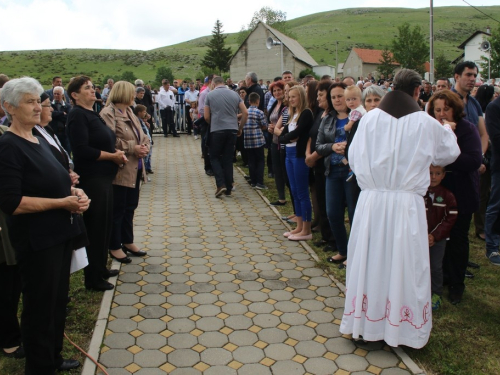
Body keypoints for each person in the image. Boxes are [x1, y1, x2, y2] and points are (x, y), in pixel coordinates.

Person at [340, 69, 460, 348]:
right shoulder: (427, 124)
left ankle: (366, 328)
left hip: (372, 203)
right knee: (404, 265)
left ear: (393, 87)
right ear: (417, 92)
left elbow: (354, 159)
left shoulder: (369, 120)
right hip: (406, 205)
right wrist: (445, 129)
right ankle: (400, 333)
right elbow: (448, 154)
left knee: (371, 262)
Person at [0, 77, 90, 374]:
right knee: (40, 306)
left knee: (57, 301)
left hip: (62, 233)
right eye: (30, 101)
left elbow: (62, 180)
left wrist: (75, 193)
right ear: (8, 107)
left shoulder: (39, 139)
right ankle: (39, 367)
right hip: (38, 241)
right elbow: (13, 202)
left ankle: (52, 357)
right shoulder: (8, 147)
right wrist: (61, 203)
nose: (38, 107)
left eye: (39, 100)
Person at [67, 75, 126, 291]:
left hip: (104, 177)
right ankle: (92, 278)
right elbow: (82, 151)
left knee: (105, 224)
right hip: (93, 178)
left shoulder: (92, 113)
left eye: (93, 87)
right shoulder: (77, 115)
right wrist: (111, 156)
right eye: (87, 88)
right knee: (96, 227)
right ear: (74, 95)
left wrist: (115, 152)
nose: (93, 90)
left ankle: (100, 268)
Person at [427, 89, 482, 303]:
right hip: (435, 194)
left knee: (457, 239)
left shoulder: (467, 130)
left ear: (455, 109)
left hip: (461, 193)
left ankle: (457, 284)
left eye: (446, 109)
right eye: (437, 110)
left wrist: (445, 158)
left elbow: (474, 160)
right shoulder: (431, 130)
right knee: (439, 238)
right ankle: (442, 279)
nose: (442, 114)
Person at [100, 81, 150, 262]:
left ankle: (127, 240)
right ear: (122, 94)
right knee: (118, 209)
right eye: (131, 93)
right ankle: (114, 245)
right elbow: (110, 141)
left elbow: (142, 134)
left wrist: (144, 146)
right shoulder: (108, 113)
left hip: (135, 167)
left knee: (130, 207)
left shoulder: (129, 111)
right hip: (121, 169)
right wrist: (133, 148)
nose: (135, 96)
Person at [315, 83, 355, 264]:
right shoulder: (327, 119)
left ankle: (355, 255)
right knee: (332, 212)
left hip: (352, 173)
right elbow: (319, 146)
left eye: (341, 96)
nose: (337, 100)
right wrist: (332, 146)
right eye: (334, 97)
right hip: (332, 171)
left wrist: (348, 148)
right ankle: (343, 250)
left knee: (354, 215)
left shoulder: (359, 118)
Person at [275, 85, 314, 241]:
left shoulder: (306, 113)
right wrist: (287, 137)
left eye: (294, 96)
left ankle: (307, 229)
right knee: (294, 191)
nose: (290, 99)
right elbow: (285, 133)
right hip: (289, 154)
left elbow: (295, 134)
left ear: (301, 97)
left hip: (298, 155)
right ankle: (299, 225)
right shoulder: (293, 114)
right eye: (289, 97)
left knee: (302, 192)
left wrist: (286, 137)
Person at [305, 79, 336, 252]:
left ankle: (332, 238)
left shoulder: (332, 116)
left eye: (321, 95)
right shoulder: (320, 113)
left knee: (329, 204)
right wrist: (308, 154)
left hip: (325, 163)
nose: (318, 98)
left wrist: (313, 157)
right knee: (321, 201)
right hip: (316, 162)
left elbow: (329, 141)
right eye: (317, 95)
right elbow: (313, 136)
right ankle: (325, 236)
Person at [204, 76, 248, 197]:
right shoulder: (235, 94)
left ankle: (220, 184)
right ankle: (229, 186)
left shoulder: (210, 95)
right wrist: (240, 128)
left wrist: (213, 123)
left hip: (217, 130)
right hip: (232, 130)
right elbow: (245, 112)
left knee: (214, 157)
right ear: (224, 83)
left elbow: (206, 117)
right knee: (228, 159)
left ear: (213, 84)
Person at [425, 165, 458, 311]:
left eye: (437, 173)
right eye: (430, 173)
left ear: (443, 175)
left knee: (435, 266)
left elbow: (450, 218)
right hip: (420, 238)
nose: (433, 177)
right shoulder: (419, 193)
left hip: (438, 240)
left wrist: (435, 235)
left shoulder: (447, 195)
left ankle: (436, 293)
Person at [484, 92, 500, 265]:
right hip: (499, 166)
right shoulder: (494, 107)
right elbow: (496, 138)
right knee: (496, 206)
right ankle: (492, 247)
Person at [267, 80, 287, 206]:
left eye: (279, 90)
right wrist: (270, 128)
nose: (277, 92)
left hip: (284, 141)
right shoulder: (275, 104)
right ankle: (281, 197)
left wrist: (276, 129)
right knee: (277, 169)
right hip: (274, 141)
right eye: (274, 91)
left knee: (284, 170)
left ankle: (287, 195)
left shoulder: (287, 105)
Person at [244, 92, 268, 189]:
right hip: (258, 140)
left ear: (249, 102)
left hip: (247, 140)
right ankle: (260, 182)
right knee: (260, 161)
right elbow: (264, 125)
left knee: (251, 161)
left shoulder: (245, 112)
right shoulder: (260, 112)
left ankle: (253, 181)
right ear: (258, 101)